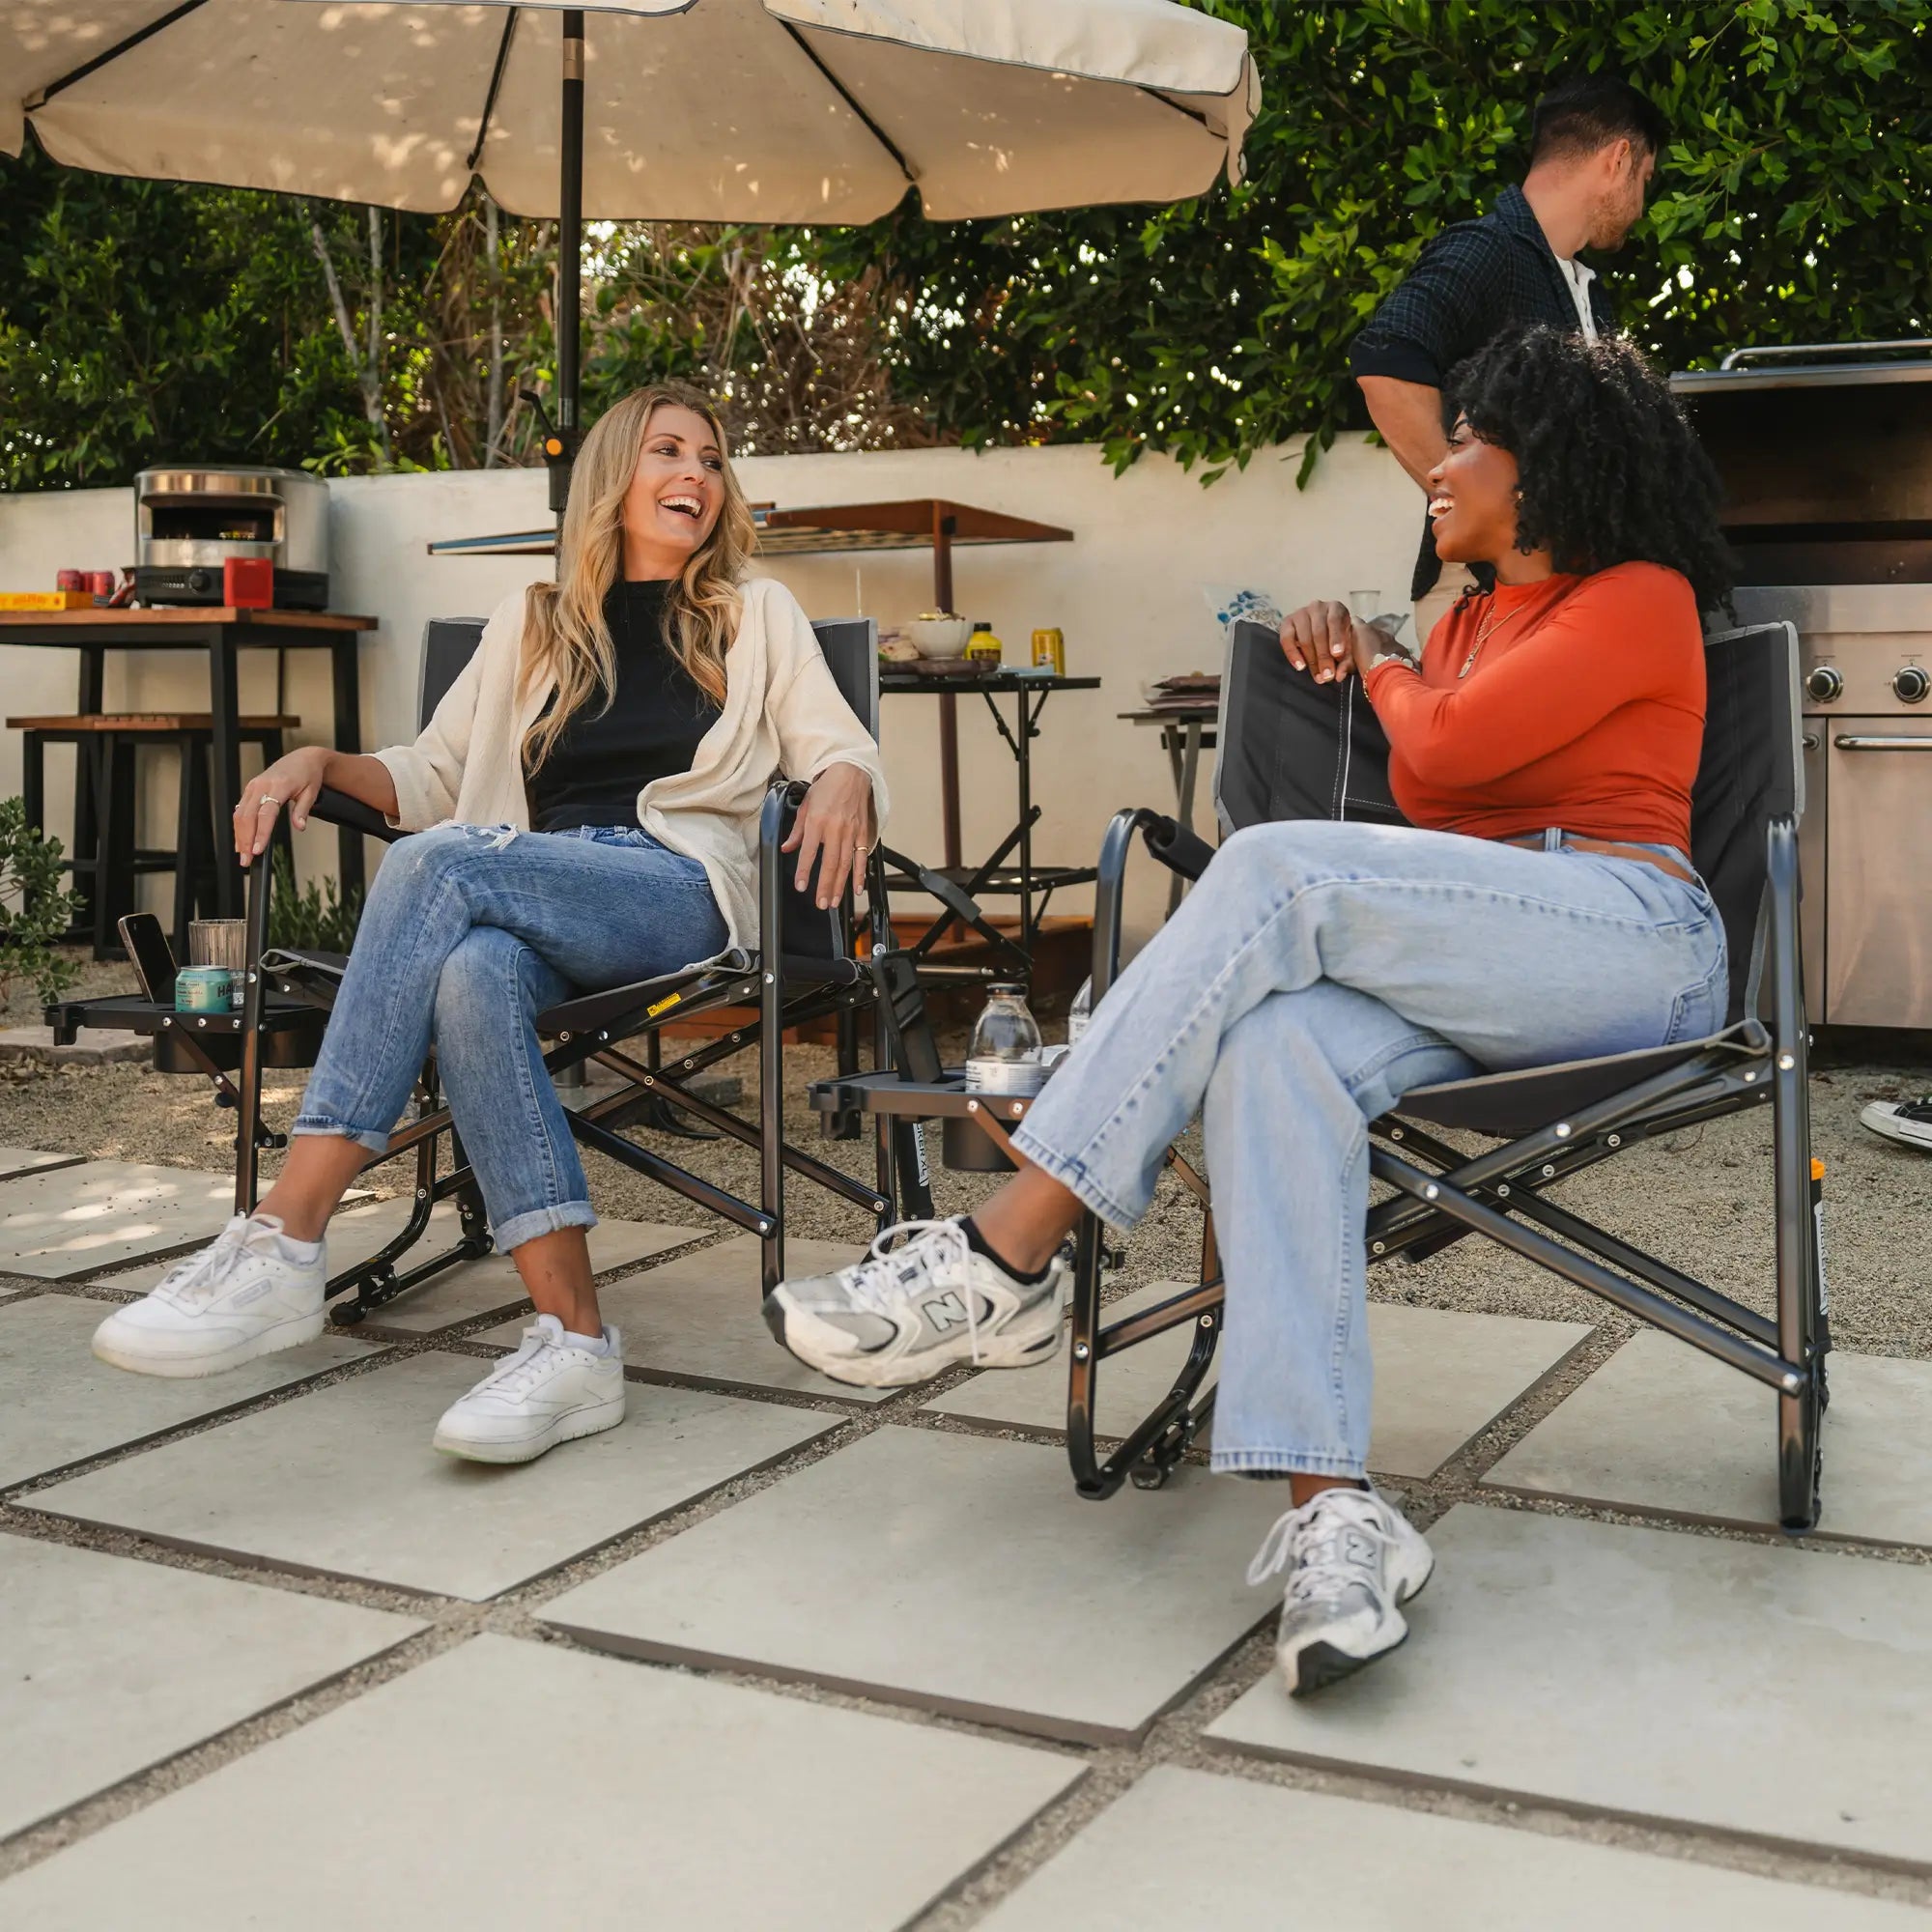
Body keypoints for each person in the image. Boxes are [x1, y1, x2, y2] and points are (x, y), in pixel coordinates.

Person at [765, 327, 1731, 1698]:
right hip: (1477, 952)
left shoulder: (1639, 594)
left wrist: (1382, 659)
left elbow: (1444, 749)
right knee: (1275, 1055)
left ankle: (1011, 1247)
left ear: (1548, 461)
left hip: (1635, 941)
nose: (1438, 467)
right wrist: (1392, 642)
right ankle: (1332, 1516)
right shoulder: (1465, 619)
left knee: (1275, 865)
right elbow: (1447, 801)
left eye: (1467, 440)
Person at [92, 383, 888, 1464]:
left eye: (710, 457)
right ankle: (574, 1343)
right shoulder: (532, 621)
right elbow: (430, 776)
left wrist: (845, 779)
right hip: (528, 888)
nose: (696, 473)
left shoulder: (755, 614)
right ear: (615, 474)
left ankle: (286, 1233)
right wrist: (320, 760)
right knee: (469, 971)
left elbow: (834, 741)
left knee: (439, 867)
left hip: (675, 891)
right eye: (668, 451)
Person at [1350, 72, 1666, 627]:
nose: (1640, 205)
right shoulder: (1487, 248)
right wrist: (1475, 516)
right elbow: (1386, 362)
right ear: (1617, 159)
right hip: (1485, 600)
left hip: (1563, 601)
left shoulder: (1590, 293)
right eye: (1644, 178)